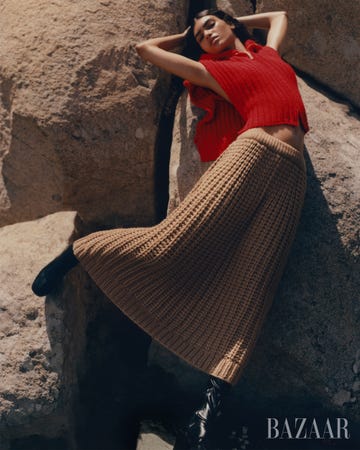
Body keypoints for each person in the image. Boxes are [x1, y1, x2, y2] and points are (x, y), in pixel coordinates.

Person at [32, 8, 308, 449]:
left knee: (255, 288)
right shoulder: (213, 71)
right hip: (251, 152)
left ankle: (209, 413)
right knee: (173, 241)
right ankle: (83, 252)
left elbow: (278, 15)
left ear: (232, 25)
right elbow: (145, 50)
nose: (206, 32)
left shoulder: (270, 56)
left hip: (292, 174)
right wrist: (185, 36)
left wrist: (235, 17)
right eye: (201, 32)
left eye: (212, 23)